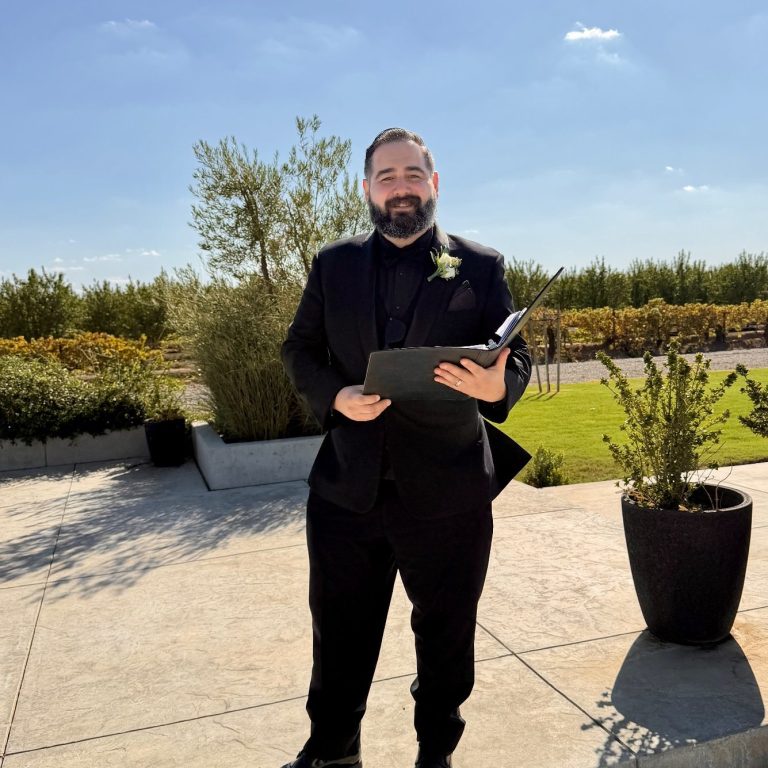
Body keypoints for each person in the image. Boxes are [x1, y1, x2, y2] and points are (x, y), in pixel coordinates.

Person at [280, 127, 532, 768]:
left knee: (446, 632)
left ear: (434, 183)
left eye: (413, 174)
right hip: (347, 488)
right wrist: (336, 396)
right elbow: (299, 349)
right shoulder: (332, 263)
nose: (401, 188)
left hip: (450, 491)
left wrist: (498, 383)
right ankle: (333, 751)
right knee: (339, 630)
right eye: (387, 176)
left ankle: (435, 752)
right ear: (367, 188)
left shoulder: (480, 266)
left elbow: (516, 355)